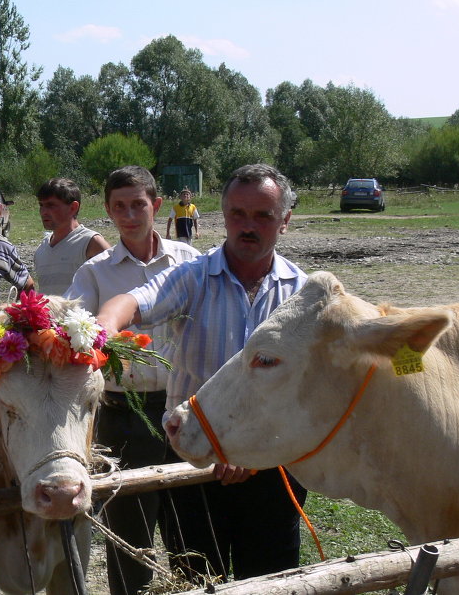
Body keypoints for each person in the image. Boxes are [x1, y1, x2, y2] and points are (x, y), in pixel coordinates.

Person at [97, 163, 307, 583]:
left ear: (284, 221)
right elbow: (135, 301)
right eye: (237, 214)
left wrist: (251, 452)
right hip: (194, 461)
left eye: (263, 216)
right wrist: (102, 329)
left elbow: (309, 392)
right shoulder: (194, 277)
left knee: (270, 578)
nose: (248, 226)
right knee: (195, 577)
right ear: (223, 215)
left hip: (272, 466)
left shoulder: (301, 292)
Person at [64, 167, 200, 595]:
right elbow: (75, 331)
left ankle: (196, 587)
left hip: (188, 407)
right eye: (118, 206)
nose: (129, 214)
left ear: (156, 206)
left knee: (191, 523)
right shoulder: (95, 273)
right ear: (107, 210)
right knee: (130, 529)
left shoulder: (190, 261)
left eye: (137, 204)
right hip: (125, 413)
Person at [31, 177, 109, 296]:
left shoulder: (91, 243)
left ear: (73, 207)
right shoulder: (42, 248)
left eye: (51, 205)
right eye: (41, 205)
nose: (43, 212)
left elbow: (117, 285)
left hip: (82, 315)